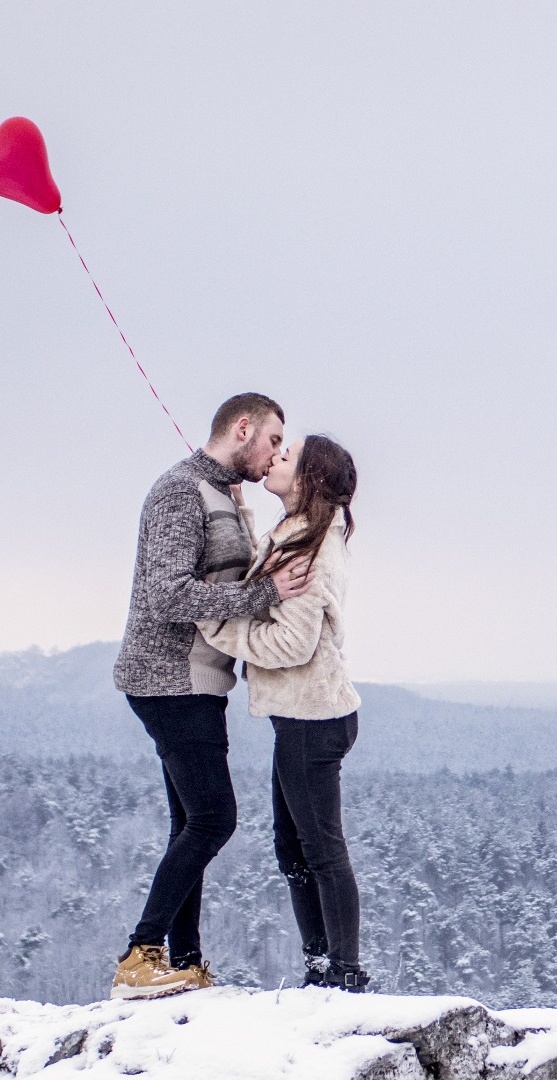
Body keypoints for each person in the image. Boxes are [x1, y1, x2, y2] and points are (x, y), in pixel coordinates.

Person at [110, 393, 315, 1001]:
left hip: (196, 679)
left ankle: (184, 962)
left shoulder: (221, 492)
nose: (279, 451)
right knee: (214, 818)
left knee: (188, 822)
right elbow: (164, 596)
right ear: (243, 428)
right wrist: (266, 594)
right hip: (170, 679)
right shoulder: (181, 491)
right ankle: (139, 956)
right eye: (275, 439)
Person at [201, 435, 369, 991]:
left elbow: (293, 645)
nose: (273, 458)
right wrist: (242, 512)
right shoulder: (306, 532)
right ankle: (322, 969)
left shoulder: (311, 549)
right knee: (294, 847)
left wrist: (219, 627)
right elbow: (264, 570)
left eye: (286, 456)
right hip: (307, 716)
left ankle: (341, 976)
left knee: (318, 850)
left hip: (311, 719)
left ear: (309, 481)